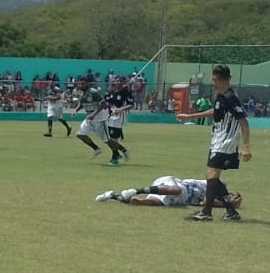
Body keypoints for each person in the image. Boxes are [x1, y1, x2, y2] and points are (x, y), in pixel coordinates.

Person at [175, 64, 251, 221]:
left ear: (224, 80)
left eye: (215, 79)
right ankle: (230, 212)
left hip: (225, 141)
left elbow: (243, 121)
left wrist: (246, 146)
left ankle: (206, 212)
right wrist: (189, 117)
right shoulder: (222, 96)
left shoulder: (230, 97)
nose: (213, 82)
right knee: (212, 176)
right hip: (218, 140)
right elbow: (216, 112)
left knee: (212, 174)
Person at [95, 176, 242, 208]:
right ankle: (136, 190)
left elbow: (206, 203)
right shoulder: (210, 185)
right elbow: (213, 182)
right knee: (177, 190)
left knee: (150, 203)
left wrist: (227, 205)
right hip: (170, 184)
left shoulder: (210, 199)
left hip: (173, 200)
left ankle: (112, 195)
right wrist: (229, 202)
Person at [103, 75, 136, 165]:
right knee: (107, 138)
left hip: (119, 117)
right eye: (117, 81)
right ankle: (122, 149)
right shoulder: (112, 92)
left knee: (113, 138)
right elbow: (107, 103)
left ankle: (115, 158)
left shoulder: (126, 92)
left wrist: (121, 109)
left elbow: (131, 104)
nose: (119, 82)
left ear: (124, 82)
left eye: (121, 81)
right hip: (109, 116)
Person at [73, 85, 110, 157]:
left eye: (82, 83)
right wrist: (76, 110)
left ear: (87, 83)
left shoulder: (93, 92)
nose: (80, 85)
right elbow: (82, 103)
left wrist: (94, 114)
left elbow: (104, 104)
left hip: (98, 117)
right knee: (80, 134)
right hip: (89, 117)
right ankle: (96, 149)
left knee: (107, 140)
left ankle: (122, 149)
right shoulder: (82, 93)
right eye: (79, 83)